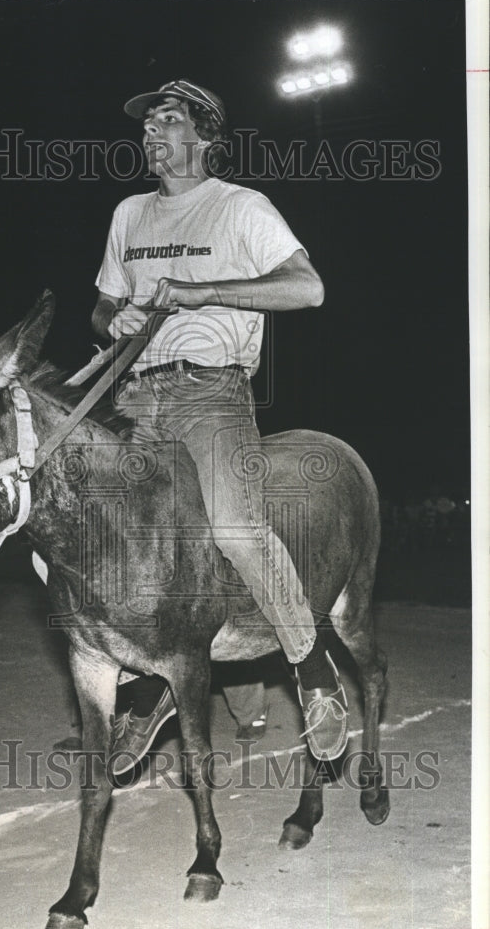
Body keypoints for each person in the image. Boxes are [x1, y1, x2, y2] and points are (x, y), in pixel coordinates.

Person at [93, 78, 348, 765]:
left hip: (211, 395)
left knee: (234, 529)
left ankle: (313, 666)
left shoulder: (241, 208)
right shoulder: (128, 215)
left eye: (167, 119)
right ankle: (148, 688)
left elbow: (307, 287)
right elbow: (102, 307)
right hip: (134, 398)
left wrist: (202, 293)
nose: (150, 131)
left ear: (204, 136)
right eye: (146, 123)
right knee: (103, 537)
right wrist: (111, 318)